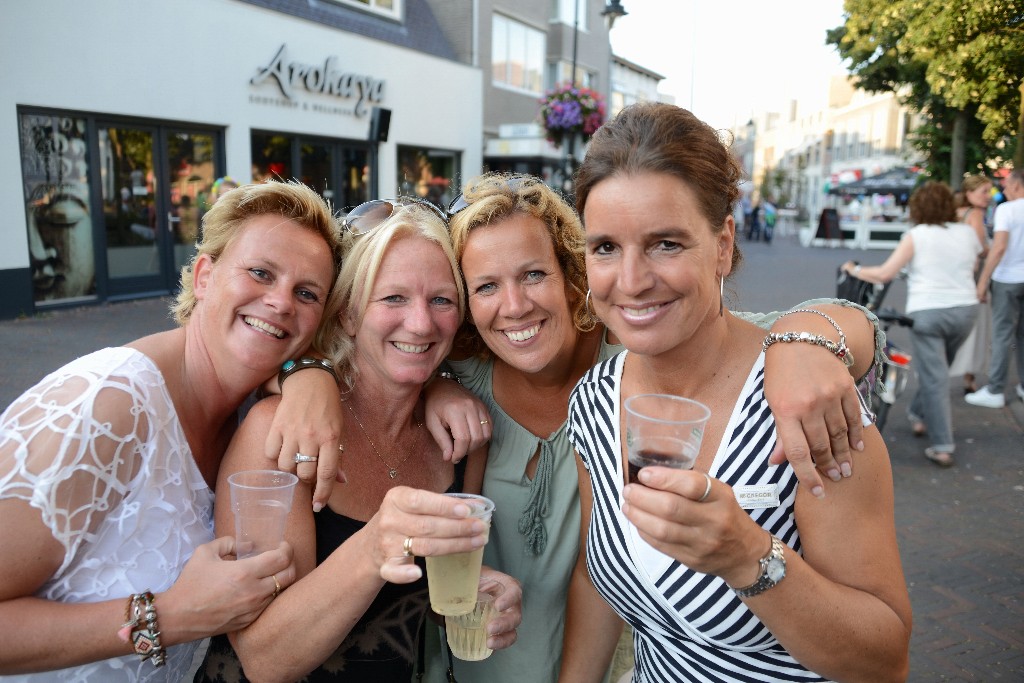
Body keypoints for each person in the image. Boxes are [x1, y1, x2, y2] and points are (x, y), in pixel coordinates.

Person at [413, 173, 885, 683]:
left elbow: (783, 329)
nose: (514, 305)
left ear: (573, 276)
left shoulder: (640, 357)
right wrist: (419, 382)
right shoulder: (481, 385)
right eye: (486, 286)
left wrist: (806, 340)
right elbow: (374, 358)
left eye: (533, 275)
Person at [563, 102, 912, 681]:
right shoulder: (595, 401)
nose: (630, 282)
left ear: (723, 243)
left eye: (666, 244)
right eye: (605, 247)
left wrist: (748, 558)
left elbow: (884, 660)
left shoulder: (803, 404)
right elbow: (593, 578)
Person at [0, 180, 344, 680]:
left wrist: (311, 374)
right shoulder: (106, 406)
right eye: (260, 273)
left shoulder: (246, 404)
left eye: (306, 293)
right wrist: (170, 616)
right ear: (204, 275)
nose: (280, 302)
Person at [195, 200, 522, 682]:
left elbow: (420, 600)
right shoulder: (282, 430)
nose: (421, 323)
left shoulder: (460, 438)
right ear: (347, 314)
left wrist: (476, 592)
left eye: (442, 300)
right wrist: (375, 546)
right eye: (392, 298)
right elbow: (265, 658)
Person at [843, 181, 981, 467]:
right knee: (937, 372)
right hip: (966, 311)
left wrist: (854, 269)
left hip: (929, 311)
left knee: (935, 376)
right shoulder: (967, 232)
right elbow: (974, 264)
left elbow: (884, 274)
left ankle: (943, 445)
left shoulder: (917, 235)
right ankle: (918, 415)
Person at [965, 168, 1024, 409]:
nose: (1003, 189)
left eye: (1007, 184)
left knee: (1002, 335)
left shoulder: (1007, 210)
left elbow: (998, 248)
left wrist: (982, 281)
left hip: (1007, 279)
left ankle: (996, 389)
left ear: (1018, 185)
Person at [949, 174, 994, 394]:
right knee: (977, 327)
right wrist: (996, 247)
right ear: (969, 193)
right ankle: (969, 377)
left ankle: (951, 371)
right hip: (974, 277)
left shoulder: (956, 213)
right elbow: (980, 247)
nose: (988, 196)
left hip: (955, 276)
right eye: (984, 191)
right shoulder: (975, 214)